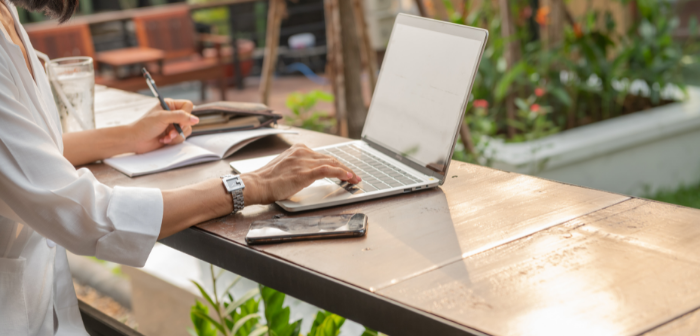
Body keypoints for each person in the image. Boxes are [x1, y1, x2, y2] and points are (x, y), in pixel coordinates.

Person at [0, 1, 360, 335]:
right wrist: (250, 185)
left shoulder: (8, 14)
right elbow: (87, 216)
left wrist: (130, 136)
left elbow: (33, 151)